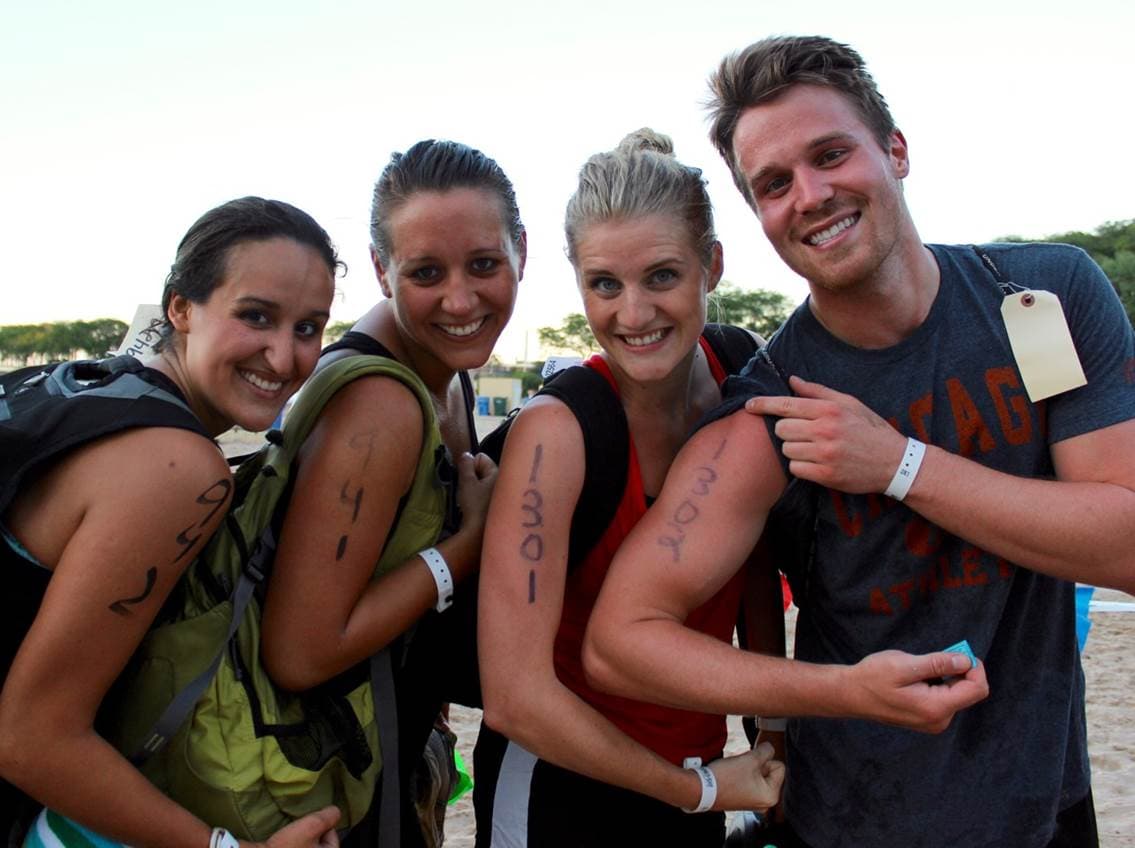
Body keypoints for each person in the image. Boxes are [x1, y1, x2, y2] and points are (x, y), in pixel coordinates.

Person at [583, 35, 1135, 848]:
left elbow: (1123, 543)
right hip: (856, 821)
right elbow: (621, 642)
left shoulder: (1041, 296)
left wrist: (899, 465)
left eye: (830, 154)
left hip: (1049, 808)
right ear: (758, 217)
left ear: (895, 150)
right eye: (773, 184)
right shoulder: (770, 410)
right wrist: (839, 692)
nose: (808, 194)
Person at [0, 197, 343, 848]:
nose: (283, 356)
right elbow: (30, 736)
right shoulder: (180, 470)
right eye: (256, 316)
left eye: (309, 327)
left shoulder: (77, 385)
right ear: (180, 308)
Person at [475, 128, 783, 848]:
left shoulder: (741, 369)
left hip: (701, 765)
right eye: (604, 285)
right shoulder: (559, 432)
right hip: (563, 781)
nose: (633, 315)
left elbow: (754, 557)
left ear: (711, 264)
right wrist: (698, 790)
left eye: (662, 277)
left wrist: (772, 729)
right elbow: (515, 700)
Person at [258, 139, 524, 846]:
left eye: (485, 265)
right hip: (327, 783)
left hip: (387, 743)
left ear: (521, 250)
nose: (461, 299)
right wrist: (460, 552)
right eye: (426, 272)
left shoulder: (447, 369)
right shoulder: (376, 406)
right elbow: (300, 651)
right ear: (381, 269)